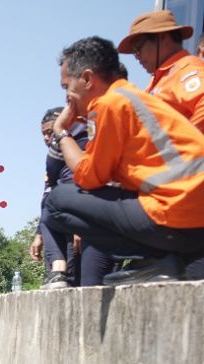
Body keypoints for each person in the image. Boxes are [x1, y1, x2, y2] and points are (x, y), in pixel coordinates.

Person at [45, 36, 204, 284]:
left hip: (177, 214)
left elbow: (88, 177)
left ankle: (155, 260)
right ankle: (155, 261)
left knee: (55, 203)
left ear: (87, 78)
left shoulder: (110, 104)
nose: (67, 97)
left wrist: (62, 132)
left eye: (67, 87)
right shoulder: (129, 97)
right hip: (193, 214)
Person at [31, 107, 114, 287]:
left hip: (83, 221)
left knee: (84, 279)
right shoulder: (55, 158)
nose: (47, 138)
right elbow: (48, 195)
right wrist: (39, 234)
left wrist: (79, 224)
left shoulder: (81, 145)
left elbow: (85, 183)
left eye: (49, 132)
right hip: (61, 226)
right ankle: (58, 272)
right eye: (43, 134)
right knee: (60, 281)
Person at [119, 10, 204, 132]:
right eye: (134, 52)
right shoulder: (160, 79)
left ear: (163, 38)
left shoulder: (185, 68)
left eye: (138, 49)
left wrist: (186, 145)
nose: (137, 56)